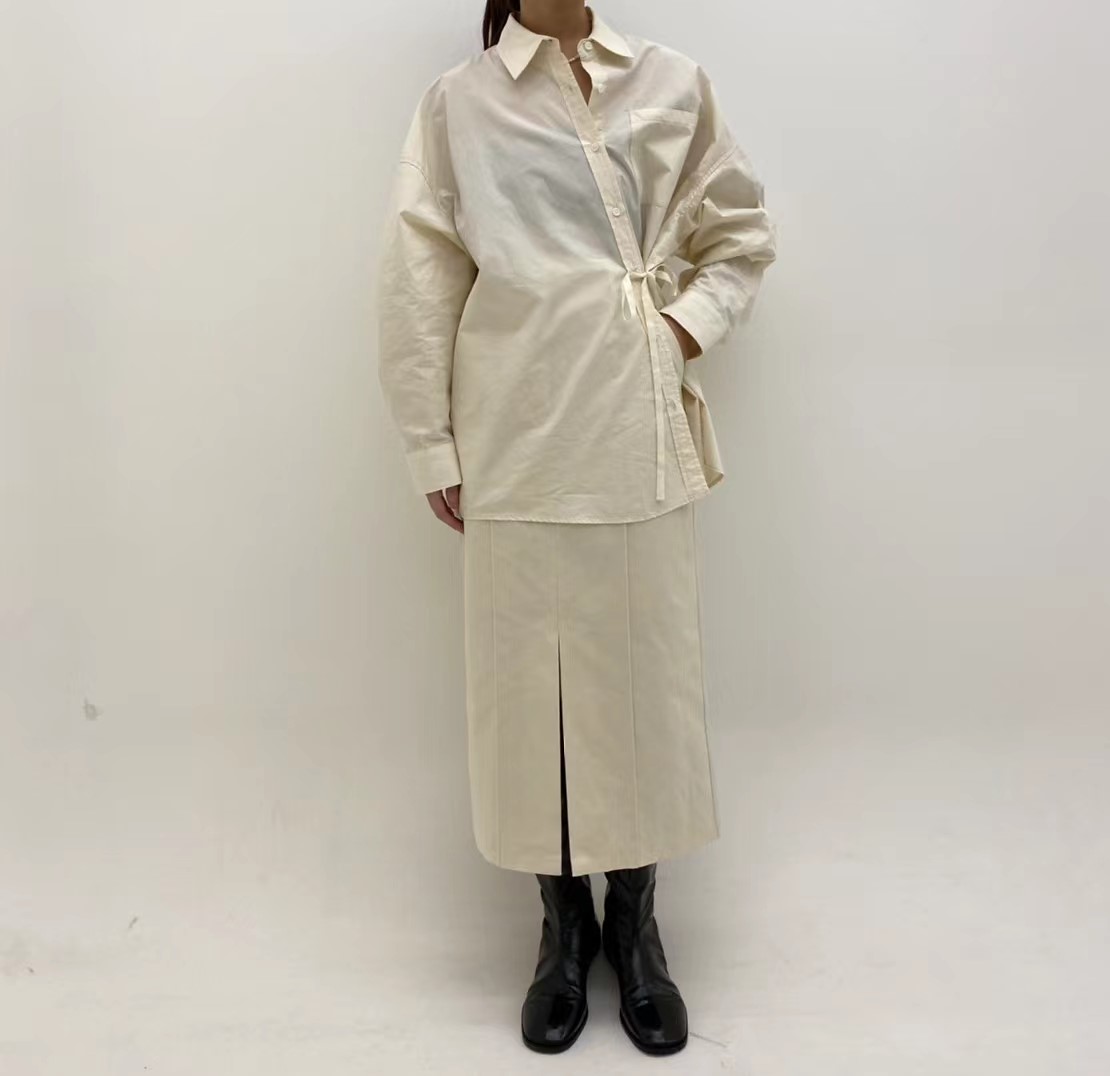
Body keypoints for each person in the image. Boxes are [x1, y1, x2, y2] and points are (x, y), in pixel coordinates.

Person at [375, 0, 777, 1055]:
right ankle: (562, 930)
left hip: (634, 428)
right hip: (511, 434)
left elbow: (739, 233)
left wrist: (677, 330)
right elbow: (420, 278)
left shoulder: (671, 81)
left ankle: (636, 925)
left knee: (640, 681)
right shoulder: (458, 105)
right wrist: (430, 441)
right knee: (530, 695)